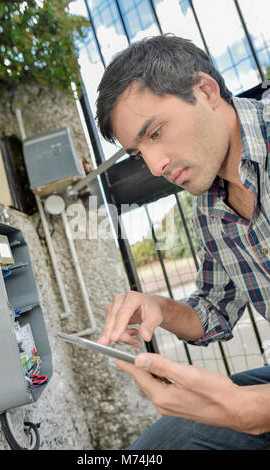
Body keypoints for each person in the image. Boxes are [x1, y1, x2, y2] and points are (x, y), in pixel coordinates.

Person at [95, 34, 270, 450]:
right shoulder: (209, 208)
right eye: (139, 153)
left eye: (155, 132)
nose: (155, 166)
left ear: (206, 91)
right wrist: (158, 306)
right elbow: (214, 312)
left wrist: (254, 409)